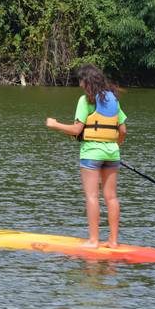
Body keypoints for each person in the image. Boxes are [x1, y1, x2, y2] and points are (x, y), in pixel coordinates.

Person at [45, 64, 127, 248]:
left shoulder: (85, 100)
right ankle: (113, 242)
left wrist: (55, 124)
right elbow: (123, 130)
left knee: (92, 196)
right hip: (112, 153)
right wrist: (115, 144)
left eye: (81, 80)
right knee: (111, 197)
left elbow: (76, 129)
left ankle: (93, 240)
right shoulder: (113, 100)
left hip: (91, 153)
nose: (80, 84)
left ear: (86, 81)